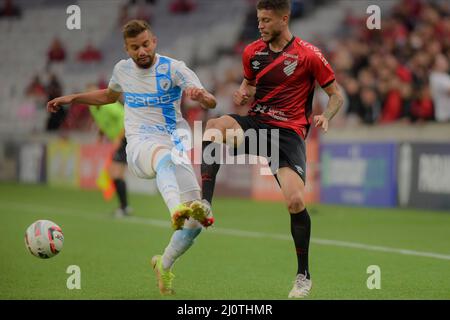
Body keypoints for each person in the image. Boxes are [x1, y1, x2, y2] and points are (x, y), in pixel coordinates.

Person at [47, 20, 216, 296]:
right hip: (140, 144)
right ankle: (176, 209)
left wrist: (202, 96)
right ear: (126, 49)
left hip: (175, 143)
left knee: (195, 224)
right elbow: (109, 96)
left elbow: (210, 101)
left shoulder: (174, 68)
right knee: (164, 161)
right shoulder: (122, 70)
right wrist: (72, 98)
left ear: (155, 42)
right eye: (135, 47)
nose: (141, 51)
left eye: (146, 44)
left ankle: (164, 263)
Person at [200, 0, 343, 298]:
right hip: (257, 125)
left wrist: (325, 116)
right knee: (214, 127)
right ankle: (205, 204)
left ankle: (303, 276)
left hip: (288, 135)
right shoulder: (252, 52)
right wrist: (243, 92)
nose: (260, 25)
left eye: (266, 20)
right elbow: (250, 85)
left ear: (284, 19)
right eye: (258, 19)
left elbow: (335, 95)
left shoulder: (309, 55)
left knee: (294, 202)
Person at [86, 84, 131, 217]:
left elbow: (127, 120)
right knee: (117, 174)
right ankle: (125, 207)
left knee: (115, 173)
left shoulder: (110, 106)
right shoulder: (92, 107)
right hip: (120, 140)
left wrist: (118, 139)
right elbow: (101, 122)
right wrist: (100, 135)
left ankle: (124, 207)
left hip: (126, 137)